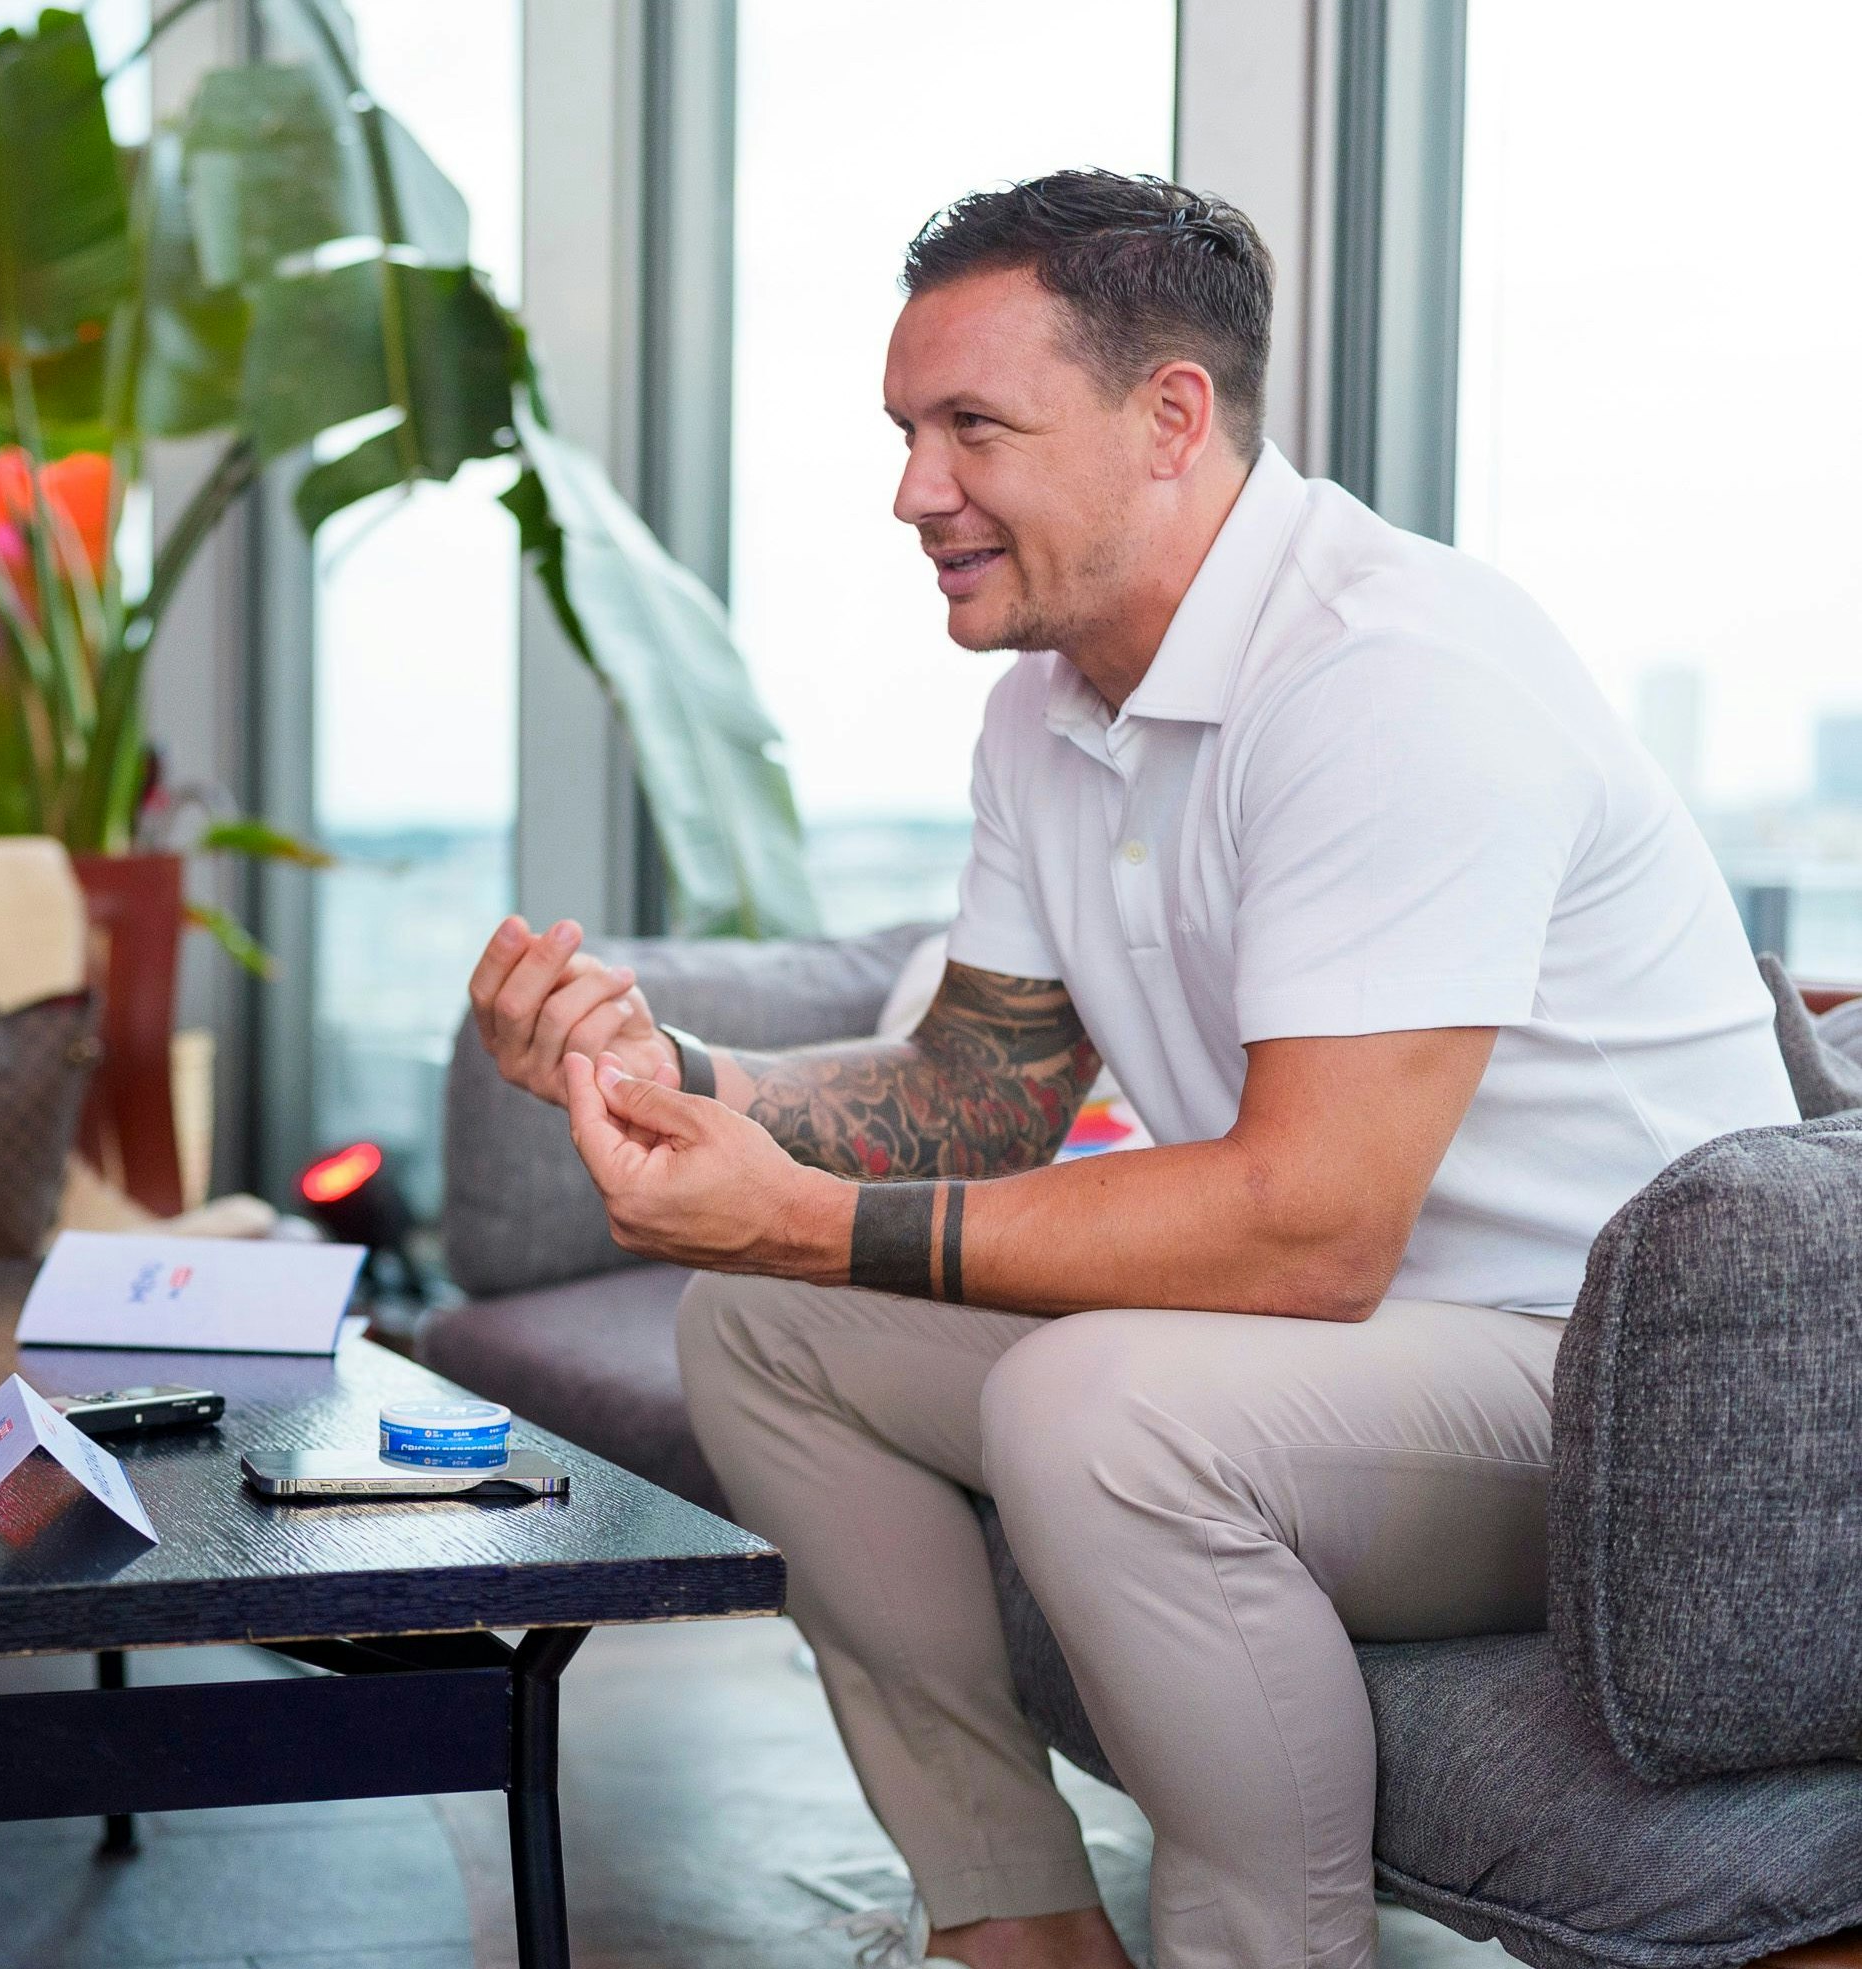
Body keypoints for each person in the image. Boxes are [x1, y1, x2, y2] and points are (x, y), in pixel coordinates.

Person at [465, 171, 1794, 1969]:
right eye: (905, 430)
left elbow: (1307, 1231)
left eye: (972, 428)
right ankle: (1013, 1928)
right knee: (758, 1327)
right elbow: (977, 1087)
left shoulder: (1389, 678)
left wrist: (810, 1218)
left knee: (1092, 1407)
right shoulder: (1052, 706)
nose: (914, 489)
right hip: (1354, 1349)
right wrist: (669, 1068)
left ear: (1171, 418)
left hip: (1609, 1394)